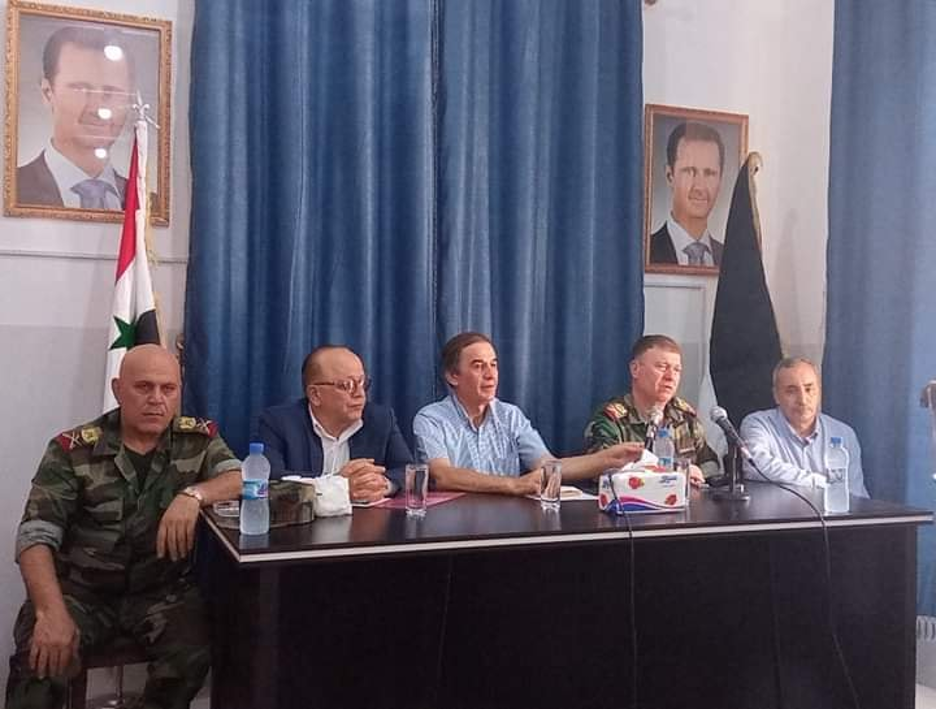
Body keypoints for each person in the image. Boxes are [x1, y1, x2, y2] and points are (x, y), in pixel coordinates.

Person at [5, 345, 243, 709]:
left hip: (160, 591)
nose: (156, 400)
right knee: (41, 665)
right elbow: (35, 535)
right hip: (81, 591)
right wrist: (50, 612)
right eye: (143, 387)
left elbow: (240, 477)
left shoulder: (197, 440)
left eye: (168, 389)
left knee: (194, 656)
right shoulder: (72, 450)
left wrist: (193, 495)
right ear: (118, 390)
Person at [412, 332, 643, 495]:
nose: (491, 375)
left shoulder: (510, 415)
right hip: (454, 527)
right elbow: (443, 476)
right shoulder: (431, 419)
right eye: (478, 366)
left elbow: (549, 466)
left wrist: (609, 458)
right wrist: (514, 485)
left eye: (493, 364)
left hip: (508, 522)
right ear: (453, 376)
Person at [258, 346, 413, 502]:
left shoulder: (380, 419)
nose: (360, 394)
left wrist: (382, 484)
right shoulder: (278, 422)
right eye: (347, 385)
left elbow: (407, 469)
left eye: (362, 383)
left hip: (365, 522)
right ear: (315, 395)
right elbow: (270, 480)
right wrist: (339, 485)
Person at [17, 26, 134, 209]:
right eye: (81, 89)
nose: (97, 108)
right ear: (48, 92)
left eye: (111, 92)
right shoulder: (15, 189)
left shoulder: (147, 203)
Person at [584, 334, 719, 485]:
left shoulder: (685, 416)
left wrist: (701, 474)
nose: (670, 377)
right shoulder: (612, 419)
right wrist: (675, 472)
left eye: (677, 370)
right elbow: (602, 471)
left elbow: (711, 464)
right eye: (662, 367)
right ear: (635, 369)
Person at [739, 357, 869, 496]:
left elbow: (856, 496)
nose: (802, 399)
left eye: (809, 389)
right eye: (791, 391)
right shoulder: (758, 424)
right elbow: (755, 465)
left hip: (830, 517)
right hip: (779, 515)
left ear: (819, 391)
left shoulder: (843, 433)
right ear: (776, 396)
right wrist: (818, 483)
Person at [650, 121, 725, 267]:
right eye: (690, 171)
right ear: (669, 176)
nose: (699, 187)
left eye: (709, 173)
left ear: (720, 180)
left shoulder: (732, 259)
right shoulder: (643, 252)